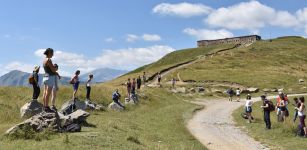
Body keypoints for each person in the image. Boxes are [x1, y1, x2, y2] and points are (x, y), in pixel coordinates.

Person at [42, 48, 59, 112]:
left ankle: (44, 106)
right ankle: (46, 107)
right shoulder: (49, 60)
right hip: (50, 77)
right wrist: (55, 69)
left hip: (45, 77)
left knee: (45, 92)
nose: (53, 54)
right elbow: (53, 70)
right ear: (49, 53)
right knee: (48, 93)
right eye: (52, 53)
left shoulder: (44, 60)